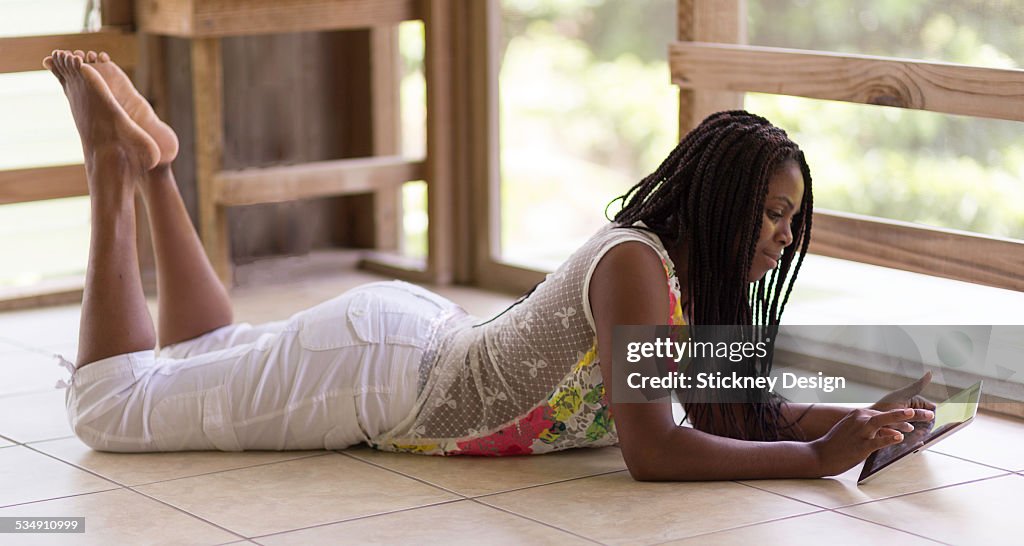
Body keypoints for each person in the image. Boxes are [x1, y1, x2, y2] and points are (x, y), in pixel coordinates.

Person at [45, 49, 935, 481]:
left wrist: (867, 419)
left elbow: (735, 411)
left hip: (397, 351)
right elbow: (655, 449)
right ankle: (112, 172)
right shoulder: (635, 268)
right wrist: (817, 458)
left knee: (209, 356)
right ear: (722, 201)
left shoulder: (679, 283)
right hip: (381, 378)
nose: (784, 237)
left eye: (792, 219)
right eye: (775, 214)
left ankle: (158, 168)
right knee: (108, 406)